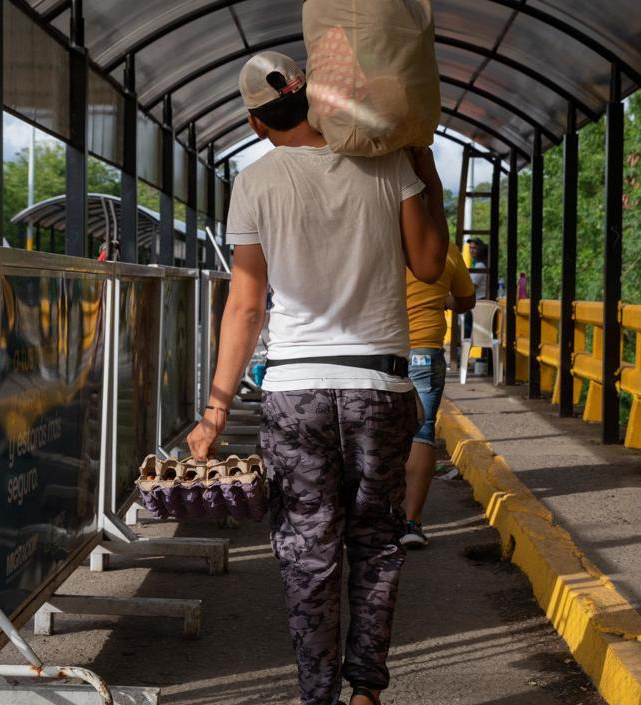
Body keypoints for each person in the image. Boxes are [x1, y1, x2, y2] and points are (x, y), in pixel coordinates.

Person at [185, 52, 448, 705]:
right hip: (381, 387)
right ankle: (366, 691)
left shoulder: (256, 183)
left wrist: (216, 411)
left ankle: (317, 694)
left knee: (309, 546)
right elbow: (430, 262)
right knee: (377, 541)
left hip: (295, 392)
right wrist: (426, 168)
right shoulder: (385, 163)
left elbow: (246, 306)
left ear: (254, 122)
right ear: (313, 100)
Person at [401, 250, 476, 548]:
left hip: (382, 348)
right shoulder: (444, 247)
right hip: (424, 352)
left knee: (377, 431)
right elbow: (467, 301)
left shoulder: (380, 233)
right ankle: (411, 523)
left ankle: (378, 516)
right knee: (422, 431)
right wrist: (443, 298)